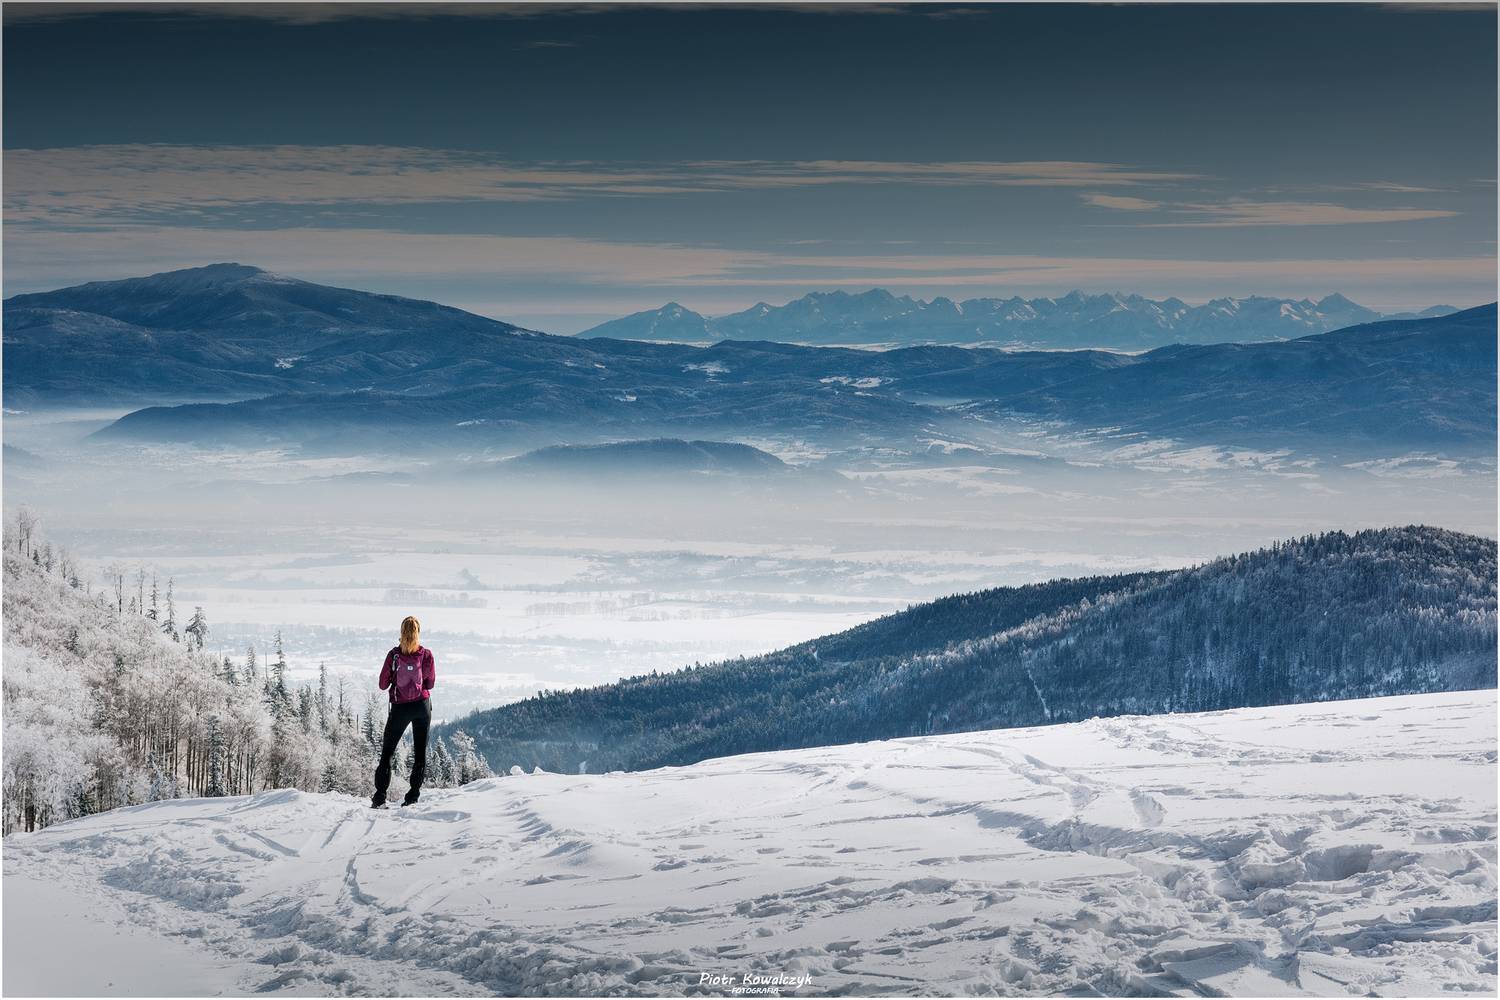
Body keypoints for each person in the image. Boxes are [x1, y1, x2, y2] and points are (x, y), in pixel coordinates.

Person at [372, 615, 436, 808]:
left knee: (387, 754)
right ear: (418, 633)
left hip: (400, 708)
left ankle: (380, 797)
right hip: (422, 706)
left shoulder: (394, 655)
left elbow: (383, 684)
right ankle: (413, 796)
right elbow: (430, 683)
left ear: (401, 632)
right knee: (419, 754)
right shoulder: (426, 655)